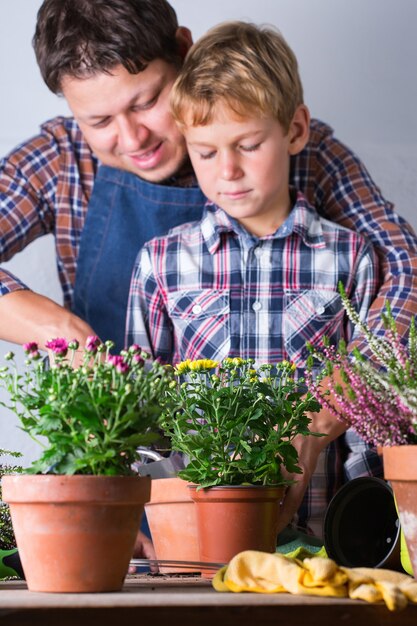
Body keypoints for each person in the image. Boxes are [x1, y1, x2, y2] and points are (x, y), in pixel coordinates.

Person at [0, 0, 416, 535]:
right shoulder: (59, 160)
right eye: (99, 120)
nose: (132, 139)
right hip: (133, 498)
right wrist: (59, 332)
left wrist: (322, 418)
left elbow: (404, 266)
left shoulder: (295, 150)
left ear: (184, 52)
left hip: (307, 496)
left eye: (148, 102)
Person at [126, 20, 382, 537]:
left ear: (294, 131)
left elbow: (369, 427)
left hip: (319, 548)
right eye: (205, 152)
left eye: (247, 144)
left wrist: (358, 534)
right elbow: (143, 420)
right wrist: (154, 527)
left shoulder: (349, 258)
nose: (228, 171)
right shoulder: (160, 263)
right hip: (195, 550)